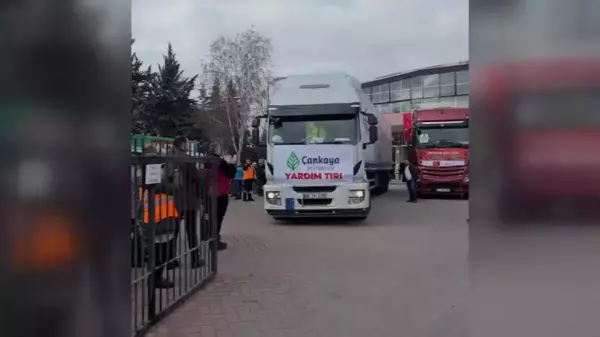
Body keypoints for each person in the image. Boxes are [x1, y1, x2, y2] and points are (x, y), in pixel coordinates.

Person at [165, 137, 204, 268]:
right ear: (182, 144)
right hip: (188, 199)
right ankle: (195, 259)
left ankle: (171, 259)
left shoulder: (169, 157)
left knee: (173, 232)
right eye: (187, 143)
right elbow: (195, 177)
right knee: (191, 230)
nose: (189, 146)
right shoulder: (186, 158)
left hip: (174, 200)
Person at [204, 143, 237, 250]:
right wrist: (232, 163)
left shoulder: (206, 161)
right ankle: (214, 241)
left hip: (209, 192)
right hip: (220, 193)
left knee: (211, 217)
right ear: (216, 150)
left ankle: (209, 237)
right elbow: (231, 173)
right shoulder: (220, 162)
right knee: (217, 219)